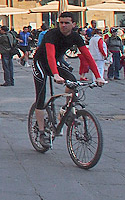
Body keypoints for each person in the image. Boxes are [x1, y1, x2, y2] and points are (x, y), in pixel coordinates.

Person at [32, 12, 106, 147]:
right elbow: (49, 55)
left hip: (56, 62)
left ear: (74, 24)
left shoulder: (76, 37)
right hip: (41, 62)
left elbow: (88, 56)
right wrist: (55, 74)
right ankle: (42, 132)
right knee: (41, 96)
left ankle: (66, 109)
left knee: (72, 81)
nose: (63, 25)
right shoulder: (51, 34)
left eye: (67, 23)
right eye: (61, 23)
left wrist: (98, 76)